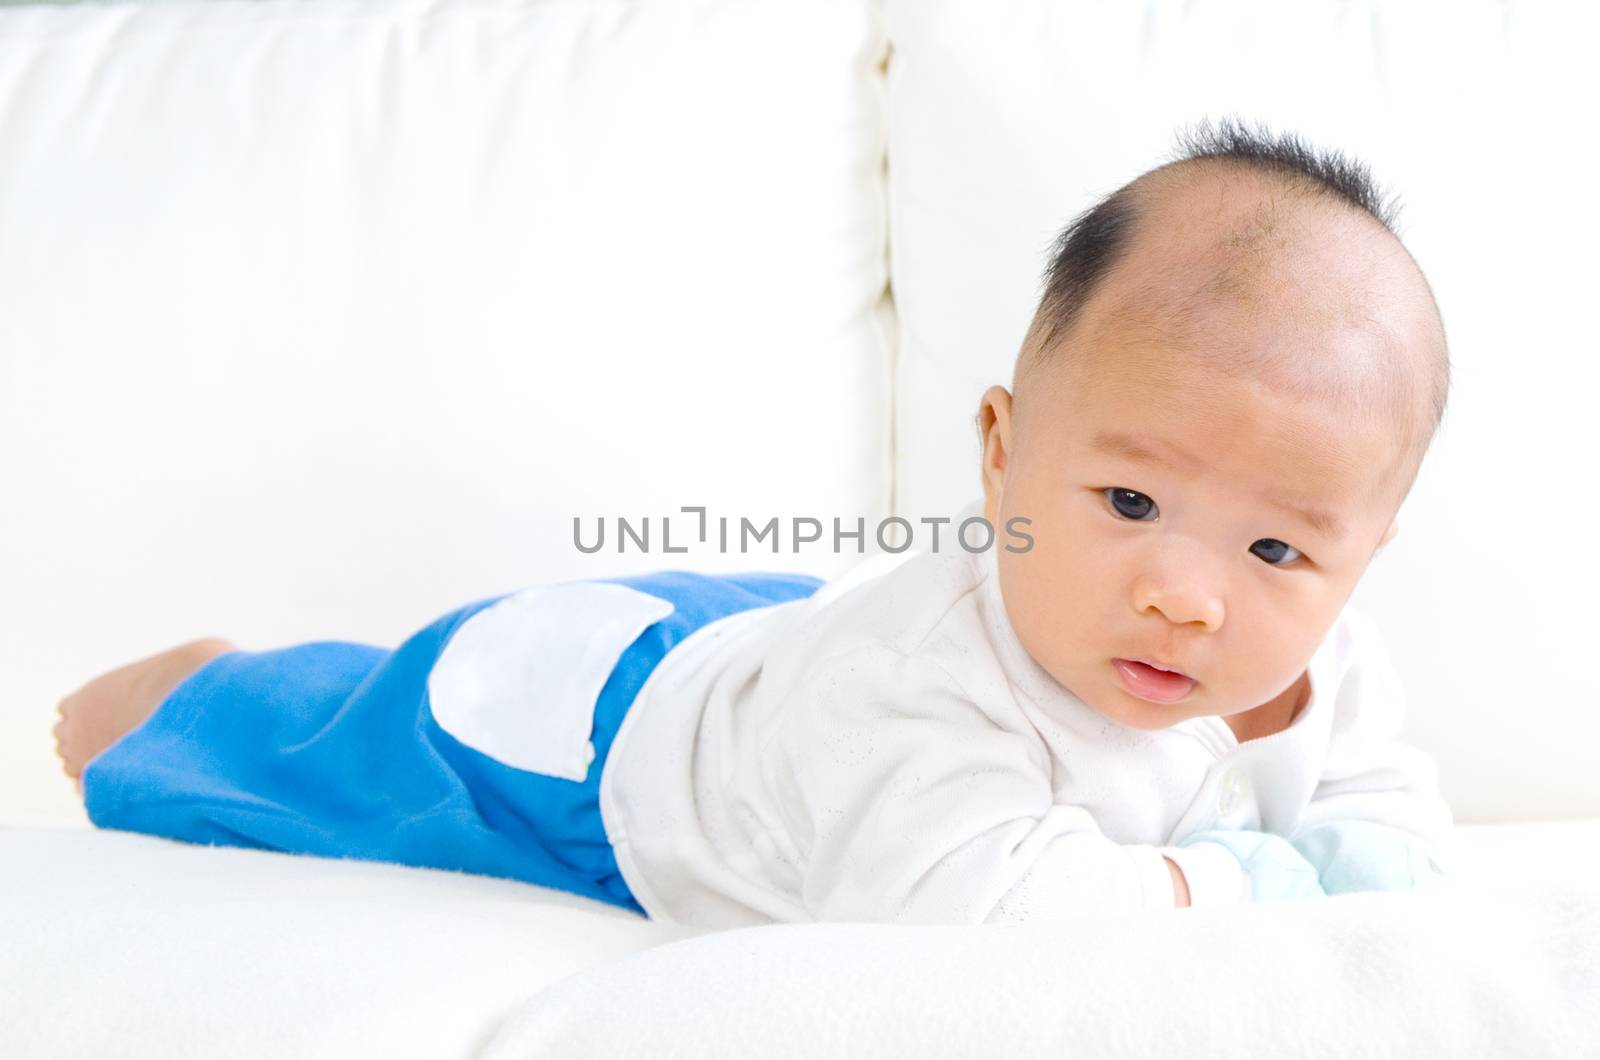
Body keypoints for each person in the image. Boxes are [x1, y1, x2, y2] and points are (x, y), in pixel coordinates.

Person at [53, 120, 1454, 927]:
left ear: (1358, 561)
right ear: (1004, 456)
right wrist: (1257, 887)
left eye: (1277, 549)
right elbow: (980, 919)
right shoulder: (923, 697)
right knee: (369, 735)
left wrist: (1364, 860)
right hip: (615, 751)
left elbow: (1389, 825)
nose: (1189, 595)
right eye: (1132, 501)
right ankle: (189, 693)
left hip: (790, 650)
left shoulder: (1322, 665)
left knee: (777, 652)